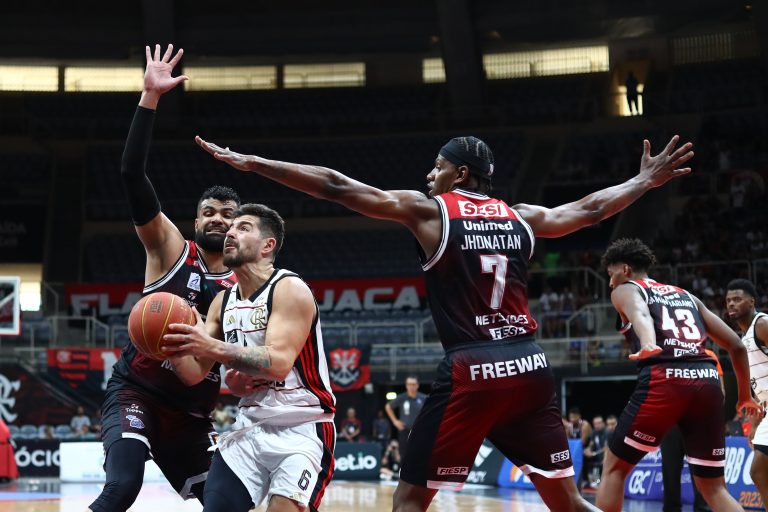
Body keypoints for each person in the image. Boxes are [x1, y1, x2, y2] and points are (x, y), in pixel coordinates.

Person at [196, 130, 694, 512]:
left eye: (438, 167)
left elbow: (335, 185)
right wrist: (644, 180)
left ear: (460, 174)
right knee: (565, 501)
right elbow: (588, 210)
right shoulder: (518, 215)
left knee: (410, 501)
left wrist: (256, 164)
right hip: (531, 367)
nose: (429, 174)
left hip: (473, 369)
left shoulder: (431, 212)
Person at [89, 44, 241, 512]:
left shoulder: (248, 289)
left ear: (241, 227)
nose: (217, 219)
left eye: (228, 216)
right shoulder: (171, 249)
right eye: (209, 212)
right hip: (136, 393)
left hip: (192, 414)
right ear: (196, 221)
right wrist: (149, 98)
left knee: (228, 503)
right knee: (122, 487)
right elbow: (131, 173)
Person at [162, 203, 336, 512]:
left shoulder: (289, 288)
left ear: (268, 245)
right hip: (250, 427)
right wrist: (169, 347)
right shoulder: (221, 302)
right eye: (231, 229)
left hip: (301, 428)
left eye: (243, 228)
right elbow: (193, 373)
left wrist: (211, 347)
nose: (230, 233)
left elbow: (279, 362)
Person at [595, 238, 761, 512]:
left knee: (613, 469)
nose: (611, 283)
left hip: (665, 379)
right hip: (706, 383)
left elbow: (640, 314)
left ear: (624, 269)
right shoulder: (687, 295)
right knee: (714, 488)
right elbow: (735, 345)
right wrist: (743, 396)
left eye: (611, 274)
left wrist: (648, 342)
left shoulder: (626, 289)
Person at [661, 348, 724, 512]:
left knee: (700, 470)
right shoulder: (668, 352)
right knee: (670, 469)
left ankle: (702, 508)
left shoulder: (710, 355)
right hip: (672, 421)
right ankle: (671, 508)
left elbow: (720, 392)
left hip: (697, 421)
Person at [725, 278, 768, 508]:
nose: (732, 304)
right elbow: (758, 389)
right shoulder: (744, 338)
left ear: (752, 301)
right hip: (766, 408)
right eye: (729, 300)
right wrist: (754, 422)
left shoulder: (762, 324)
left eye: (738, 299)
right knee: (759, 472)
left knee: (759, 469)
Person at [385, 376, 426, 460]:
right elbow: (388, 406)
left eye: (413, 384)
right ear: (406, 385)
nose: (411, 386)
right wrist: (395, 421)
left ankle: (420, 472)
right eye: (409, 384)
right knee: (403, 453)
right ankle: (403, 472)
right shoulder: (402, 398)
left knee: (421, 452)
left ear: (417, 385)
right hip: (405, 430)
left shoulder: (423, 398)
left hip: (419, 430)